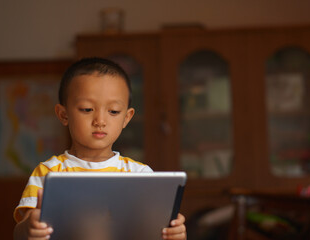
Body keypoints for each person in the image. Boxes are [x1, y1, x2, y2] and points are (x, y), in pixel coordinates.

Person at [13, 57, 187, 240]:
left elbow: (156, 230)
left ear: (126, 118)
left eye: (113, 111)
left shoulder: (140, 174)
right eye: (87, 109)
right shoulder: (48, 172)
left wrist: (175, 233)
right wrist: (29, 228)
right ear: (63, 115)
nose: (100, 121)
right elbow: (19, 234)